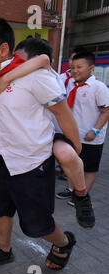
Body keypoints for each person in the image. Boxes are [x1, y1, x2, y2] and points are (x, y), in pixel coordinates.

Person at [0, 17, 80, 271]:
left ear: (3, 50)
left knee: (36, 222)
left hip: (31, 163)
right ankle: (4, 250)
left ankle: (63, 243)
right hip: (0, 160)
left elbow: (63, 113)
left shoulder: (34, 76)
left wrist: (75, 151)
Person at [0, 38, 95, 230]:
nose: (14, 63)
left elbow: (42, 59)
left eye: (18, 58)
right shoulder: (23, 73)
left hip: (59, 130)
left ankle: (82, 197)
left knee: (67, 154)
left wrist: (77, 145)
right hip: (38, 135)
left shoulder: (43, 73)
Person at [59, 50, 109, 227]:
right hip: (74, 135)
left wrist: (95, 130)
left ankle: (83, 197)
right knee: (74, 164)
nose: (75, 70)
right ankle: (73, 191)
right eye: (72, 67)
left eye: (79, 67)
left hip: (91, 137)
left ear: (91, 68)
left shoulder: (99, 88)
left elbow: (106, 111)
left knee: (89, 169)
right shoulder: (71, 84)